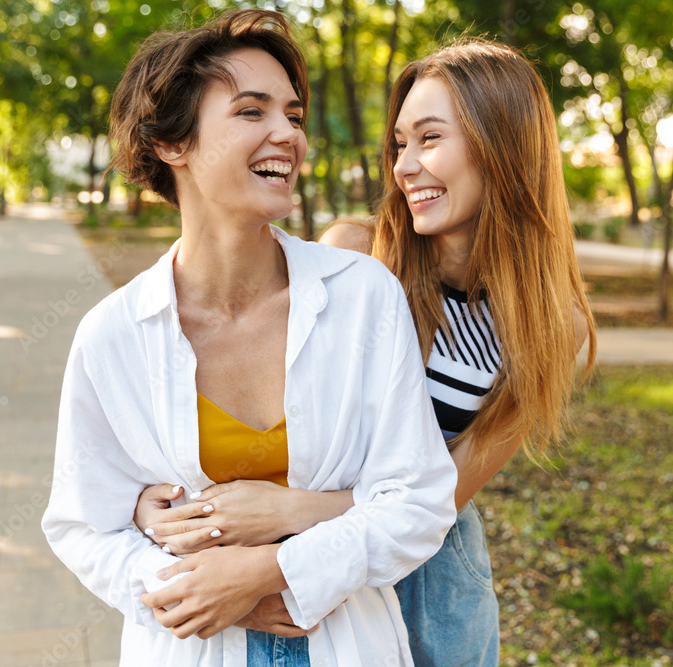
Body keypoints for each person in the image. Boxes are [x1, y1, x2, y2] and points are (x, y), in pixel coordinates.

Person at [134, 36, 597, 666]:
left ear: (504, 148)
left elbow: (446, 493)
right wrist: (146, 501)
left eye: (429, 139)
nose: (404, 165)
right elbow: (249, 407)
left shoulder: (551, 324)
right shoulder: (355, 258)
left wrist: (289, 509)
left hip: (431, 580)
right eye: (400, 143)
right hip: (292, 558)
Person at [40, 9, 458, 667]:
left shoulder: (362, 296)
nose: (286, 135)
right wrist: (174, 584)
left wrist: (275, 570)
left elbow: (420, 502)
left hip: (347, 643)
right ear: (173, 144)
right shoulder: (112, 337)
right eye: (251, 112)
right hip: (190, 649)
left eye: (292, 116)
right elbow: (83, 523)